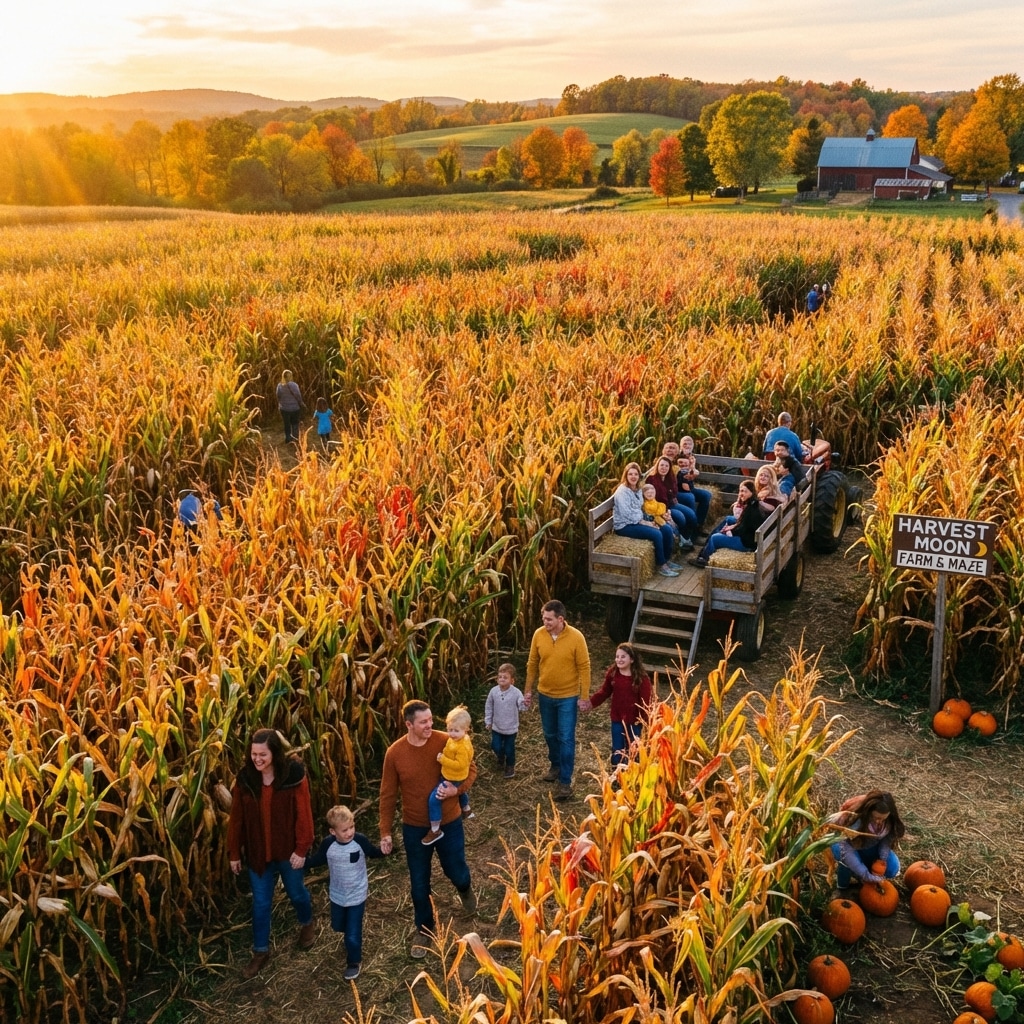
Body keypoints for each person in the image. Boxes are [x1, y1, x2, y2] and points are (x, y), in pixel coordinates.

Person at [378, 700, 477, 959]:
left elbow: (471, 768)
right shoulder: (395, 753)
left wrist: (458, 790)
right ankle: (424, 929)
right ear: (409, 724)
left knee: (455, 870)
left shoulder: (448, 740)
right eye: (423, 722)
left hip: (449, 821)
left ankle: (465, 887)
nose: (430, 726)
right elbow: (387, 794)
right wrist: (385, 831)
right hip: (414, 827)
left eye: (431, 720)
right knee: (419, 883)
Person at [228, 728, 316, 979]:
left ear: (274, 753)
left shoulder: (293, 775)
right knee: (261, 903)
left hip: (288, 852)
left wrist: (301, 849)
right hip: (258, 854)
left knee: (296, 892)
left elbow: (304, 815)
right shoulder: (246, 780)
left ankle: (307, 922)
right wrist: (234, 851)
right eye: (254, 754)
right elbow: (236, 819)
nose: (257, 759)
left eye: (262, 754)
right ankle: (261, 952)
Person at [303, 805, 385, 981]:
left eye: (352, 827)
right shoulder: (328, 844)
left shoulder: (360, 841)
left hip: (357, 894)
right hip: (337, 894)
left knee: (352, 934)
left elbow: (372, 852)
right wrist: (303, 862)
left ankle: (354, 962)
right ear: (333, 831)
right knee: (338, 925)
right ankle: (349, 937)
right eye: (345, 830)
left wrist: (386, 850)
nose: (350, 832)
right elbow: (318, 859)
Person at [523, 599, 591, 801]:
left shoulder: (576, 638)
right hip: (545, 694)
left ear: (561, 619)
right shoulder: (539, 635)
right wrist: (528, 690)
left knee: (566, 737)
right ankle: (555, 764)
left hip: (567, 697)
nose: (545, 622)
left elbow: (584, 668)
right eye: (543, 618)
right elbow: (532, 663)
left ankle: (565, 781)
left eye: (549, 619)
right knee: (550, 734)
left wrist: (584, 696)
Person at [584, 643, 653, 770]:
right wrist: (591, 703)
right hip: (617, 718)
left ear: (632, 659)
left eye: (623, 657)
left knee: (633, 748)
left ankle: (632, 773)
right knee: (617, 748)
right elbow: (604, 691)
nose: (619, 660)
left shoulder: (641, 678)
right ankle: (617, 774)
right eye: (617, 657)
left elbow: (646, 702)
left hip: (635, 721)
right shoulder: (613, 673)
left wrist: (648, 721)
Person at [612, 462, 681, 578]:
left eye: (636, 474)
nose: (633, 477)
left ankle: (666, 559)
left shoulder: (638, 489)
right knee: (656, 533)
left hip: (639, 519)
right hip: (625, 525)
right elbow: (626, 513)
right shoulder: (622, 492)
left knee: (666, 529)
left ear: (639, 476)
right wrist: (645, 523)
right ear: (626, 476)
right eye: (630, 474)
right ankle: (661, 565)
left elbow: (642, 507)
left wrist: (654, 518)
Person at [828, 790, 905, 887]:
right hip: (847, 846)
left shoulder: (889, 821)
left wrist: (883, 857)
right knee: (843, 856)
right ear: (868, 812)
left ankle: (863, 868)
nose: (879, 821)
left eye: (883, 818)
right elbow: (846, 847)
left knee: (891, 868)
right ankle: (844, 886)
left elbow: (886, 839)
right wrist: (864, 874)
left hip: (869, 846)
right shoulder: (856, 820)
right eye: (875, 817)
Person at [423, 705, 474, 844]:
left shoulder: (462, 746)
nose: (451, 734)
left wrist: (443, 760)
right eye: (449, 730)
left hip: (453, 776)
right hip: (453, 775)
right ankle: (466, 809)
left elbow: (461, 765)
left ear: (466, 729)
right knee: (461, 793)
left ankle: (435, 830)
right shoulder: (458, 739)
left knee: (434, 799)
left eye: (456, 731)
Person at [689, 479, 767, 568]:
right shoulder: (753, 504)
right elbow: (744, 524)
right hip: (750, 539)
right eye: (741, 491)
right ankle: (707, 546)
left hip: (746, 543)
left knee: (715, 538)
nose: (742, 494)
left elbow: (742, 529)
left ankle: (704, 559)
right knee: (728, 521)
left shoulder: (751, 509)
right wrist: (733, 526)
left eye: (745, 491)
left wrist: (729, 531)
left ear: (752, 493)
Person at [485, 663, 525, 779]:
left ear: (512, 680)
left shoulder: (516, 693)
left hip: (510, 729)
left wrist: (525, 703)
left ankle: (510, 766)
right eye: (500, 677)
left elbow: (522, 707)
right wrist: (488, 721)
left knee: (510, 749)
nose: (502, 679)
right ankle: (500, 757)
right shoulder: (493, 691)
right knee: (495, 746)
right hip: (496, 727)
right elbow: (489, 706)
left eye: (505, 677)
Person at [646, 456, 697, 548]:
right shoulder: (651, 479)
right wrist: (664, 510)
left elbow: (674, 492)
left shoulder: (670, 477)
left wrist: (672, 497)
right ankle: (682, 540)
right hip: (660, 507)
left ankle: (686, 537)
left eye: (666, 466)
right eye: (661, 465)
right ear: (657, 466)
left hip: (672, 503)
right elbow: (652, 498)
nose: (664, 468)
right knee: (680, 517)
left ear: (669, 468)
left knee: (691, 515)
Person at [677, 436, 712, 528]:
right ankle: (692, 524)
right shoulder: (677, 456)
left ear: (692, 446)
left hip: (690, 487)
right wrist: (693, 474)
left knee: (706, 495)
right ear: (680, 446)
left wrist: (694, 470)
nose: (687, 446)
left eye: (689, 444)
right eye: (685, 444)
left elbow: (695, 472)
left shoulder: (693, 457)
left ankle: (698, 523)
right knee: (690, 497)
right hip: (679, 488)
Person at [276, 369, 303, 443]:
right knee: (295, 423)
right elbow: (298, 396)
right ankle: (296, 438)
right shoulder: (294, 385)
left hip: (284, 408)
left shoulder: (280, 386)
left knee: (287, 424)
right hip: (295, 408)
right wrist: (300, 403)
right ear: (290, 376)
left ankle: (288, 438)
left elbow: (278, 396)